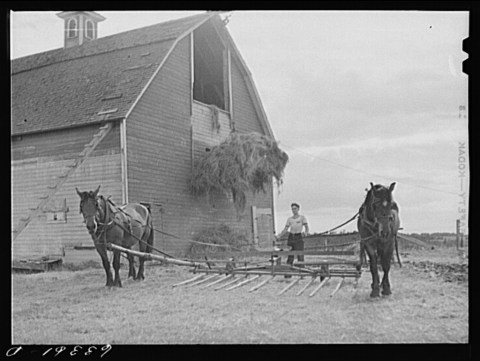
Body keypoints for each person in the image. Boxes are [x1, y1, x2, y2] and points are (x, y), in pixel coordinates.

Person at [274, 203, 309, 272]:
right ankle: (288, 269)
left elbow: (306, 227)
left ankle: (302, 270)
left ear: (298, 209)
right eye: (292, 209)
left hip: (298, 236)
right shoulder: (289, 219)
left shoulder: (302, 218)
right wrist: (280, 236)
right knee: (290, 254)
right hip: (291, 237)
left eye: (295, 209)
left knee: (300, 254)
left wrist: (306, 232)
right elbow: (285, 229)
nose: (293, 210)